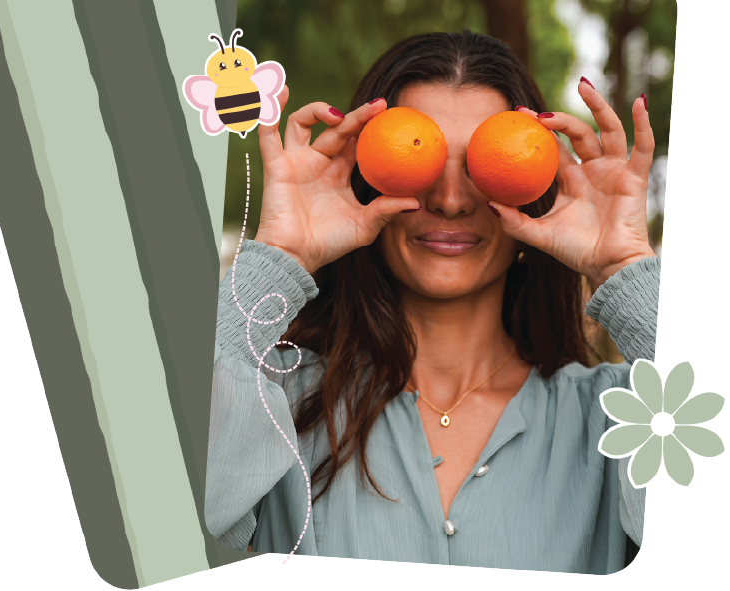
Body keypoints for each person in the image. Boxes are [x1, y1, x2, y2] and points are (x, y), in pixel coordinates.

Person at [205, 31, 659, 574]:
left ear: (533, 192)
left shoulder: (623, 415)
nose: (449, 201)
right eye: (420, 158)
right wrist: (281, 254)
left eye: (483, 164)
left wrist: (623, 267)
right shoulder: (274, 396)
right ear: (367, 180)